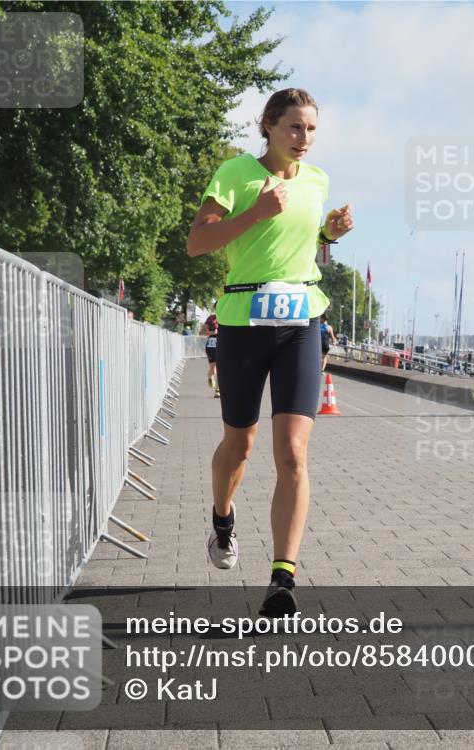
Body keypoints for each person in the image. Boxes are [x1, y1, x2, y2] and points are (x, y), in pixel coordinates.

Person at [187, 88, 354, 616]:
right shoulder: (235, 174)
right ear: (269, 126)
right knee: (239, 445)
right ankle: (222, 518)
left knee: (293, 451)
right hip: (243, 321)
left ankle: (283, 578)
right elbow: (198, 243)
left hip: (302, 321)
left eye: (310, 130)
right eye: (294, 128)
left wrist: (331, 233)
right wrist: (256, 211)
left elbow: (304, 245)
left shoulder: (318, 181)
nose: (303, 139)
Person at [200, 312, 220, 397]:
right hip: (211, 345)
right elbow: (202, 333)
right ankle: (210, 376)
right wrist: (214, 333)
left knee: (220, 369)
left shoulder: (229, 316)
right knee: (213, 368)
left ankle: (218, 390)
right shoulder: (211, 319)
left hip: (223, 345)